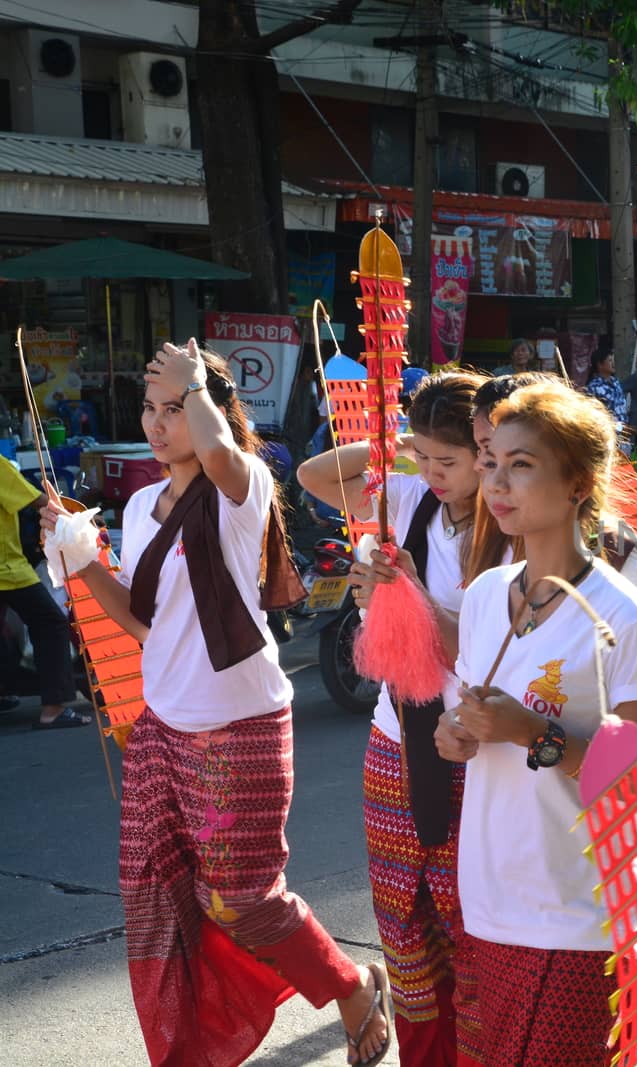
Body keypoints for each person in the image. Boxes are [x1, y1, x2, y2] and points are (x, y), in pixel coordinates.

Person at [44, 340, 390, 1066]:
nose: (160, 422)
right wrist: (80, 560)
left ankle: (354, 986)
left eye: (177, 408)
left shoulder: (243, 489)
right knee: (155, 894)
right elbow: (146, 622)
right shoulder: (140, 505)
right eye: (151, 407)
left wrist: (194, 386)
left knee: (241, 898)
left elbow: (225, 458)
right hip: (163, 726)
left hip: (242, 724)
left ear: (211, 412)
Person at [433, 376, 637, 1066]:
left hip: (577, 912)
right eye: (491, 463)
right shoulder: (486, 595)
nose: (498, 483)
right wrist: (456, 733)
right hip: (489, 896)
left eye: (522, 465)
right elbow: (471, 721)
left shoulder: (624, 618)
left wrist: (530, 733)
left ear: (579, 482)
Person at [298, 371, 493, 1065]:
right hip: (394, 737)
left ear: (486, 450)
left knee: (466, 923)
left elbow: (483, 646)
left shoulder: (507, 531)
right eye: (426, 457)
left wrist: (407, 589)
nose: (435, 473)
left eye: (450, 459)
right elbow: (315, 474)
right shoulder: (409, 495)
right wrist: (386, 444)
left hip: (471, 744)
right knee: (402, 915)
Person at [0, 457, 84, 728]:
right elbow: (35, 500)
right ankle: (53, 710)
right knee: (50, 623)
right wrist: (74, 520)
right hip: (6, 568)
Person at [583, 350, 628, 425]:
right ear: (600, 365)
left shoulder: (616, 382)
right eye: (610, 360)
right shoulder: (594, 387)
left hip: (623, 430)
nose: (613, 363)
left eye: (613, 360)